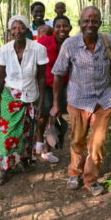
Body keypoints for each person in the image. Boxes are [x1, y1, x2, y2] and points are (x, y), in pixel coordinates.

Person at [50, 6, 111, 196]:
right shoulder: (70, 45)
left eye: (94, 21)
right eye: (86, 21)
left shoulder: (109, 41)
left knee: (97, 144)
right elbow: (58, 74)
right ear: (80, 23)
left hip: (104, 101)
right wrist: (56, 104)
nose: (90, 24)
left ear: (100, 23)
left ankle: (90, 179)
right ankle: (74, 172)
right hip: (78, 101)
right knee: (77, 140)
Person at [0, 15, 48, 185]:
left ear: (27, 30)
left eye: (21, 28)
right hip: (10, 97)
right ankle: (6, 169)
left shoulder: (38, 49)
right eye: (14, 29)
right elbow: (0, 79)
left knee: (28, 132)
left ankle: (24, 162)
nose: (18, 31)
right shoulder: (4, 50)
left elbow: (41, 78)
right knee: (6, 135)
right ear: (10, 32)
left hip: (30, 96)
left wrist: (40, 103)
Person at [35, 15, 72, 162]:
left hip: (63, 84)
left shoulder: (73, 42)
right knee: (43, 114)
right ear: (54, 29)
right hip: (46, 85)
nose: (62, 29)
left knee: (55, 115)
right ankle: (38, 142)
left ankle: (48, 148)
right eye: (58, 26)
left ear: (70, 28)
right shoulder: (44, 42)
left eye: (65, 26)